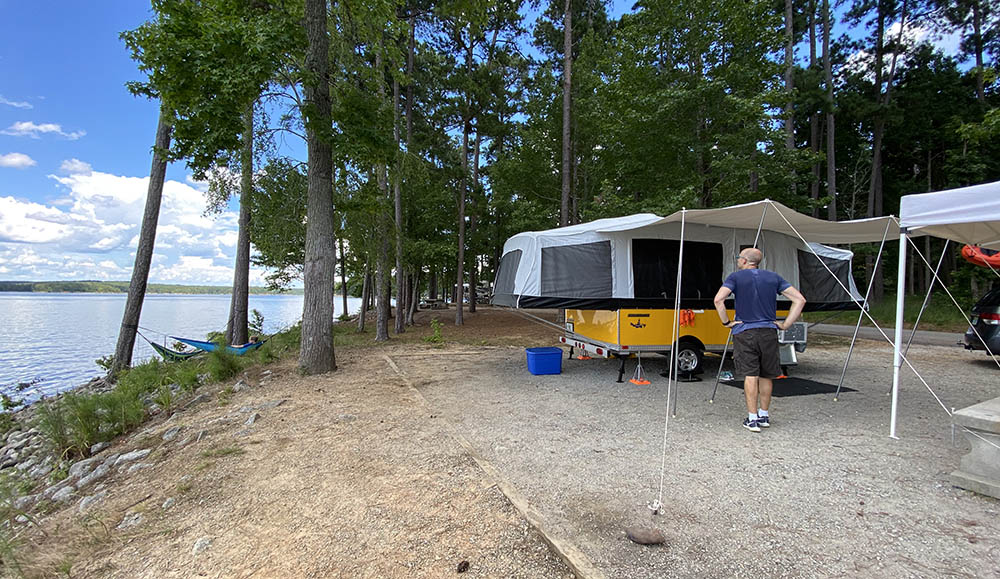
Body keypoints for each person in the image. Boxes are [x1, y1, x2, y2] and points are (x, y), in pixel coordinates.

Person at [713, 248, 806, 432]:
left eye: (739, 258)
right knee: (767, 374)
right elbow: (800, 300)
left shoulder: (736, 278)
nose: (738, 260)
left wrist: (726, 322)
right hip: (768, 331)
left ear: (745, 261)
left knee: (750, 374)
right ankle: (764, 415)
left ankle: (752, 418)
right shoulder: (774, 277)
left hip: (745, 331)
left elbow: (718, 300)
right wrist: (786, 324)